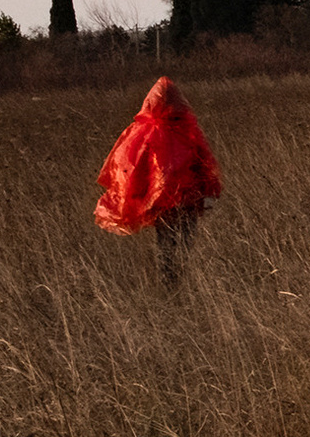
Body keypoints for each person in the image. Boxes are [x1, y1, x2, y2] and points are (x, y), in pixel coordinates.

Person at [94, 76, 222, 287]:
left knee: (166, 243)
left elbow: (130, 167)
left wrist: (138, 196)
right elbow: (205, 164)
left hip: (163, 205)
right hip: (186, 200)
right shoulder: (186, 132)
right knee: (184, 243)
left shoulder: (144, 133)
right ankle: (175, 282)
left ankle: (169, 282)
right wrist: (210, 192)